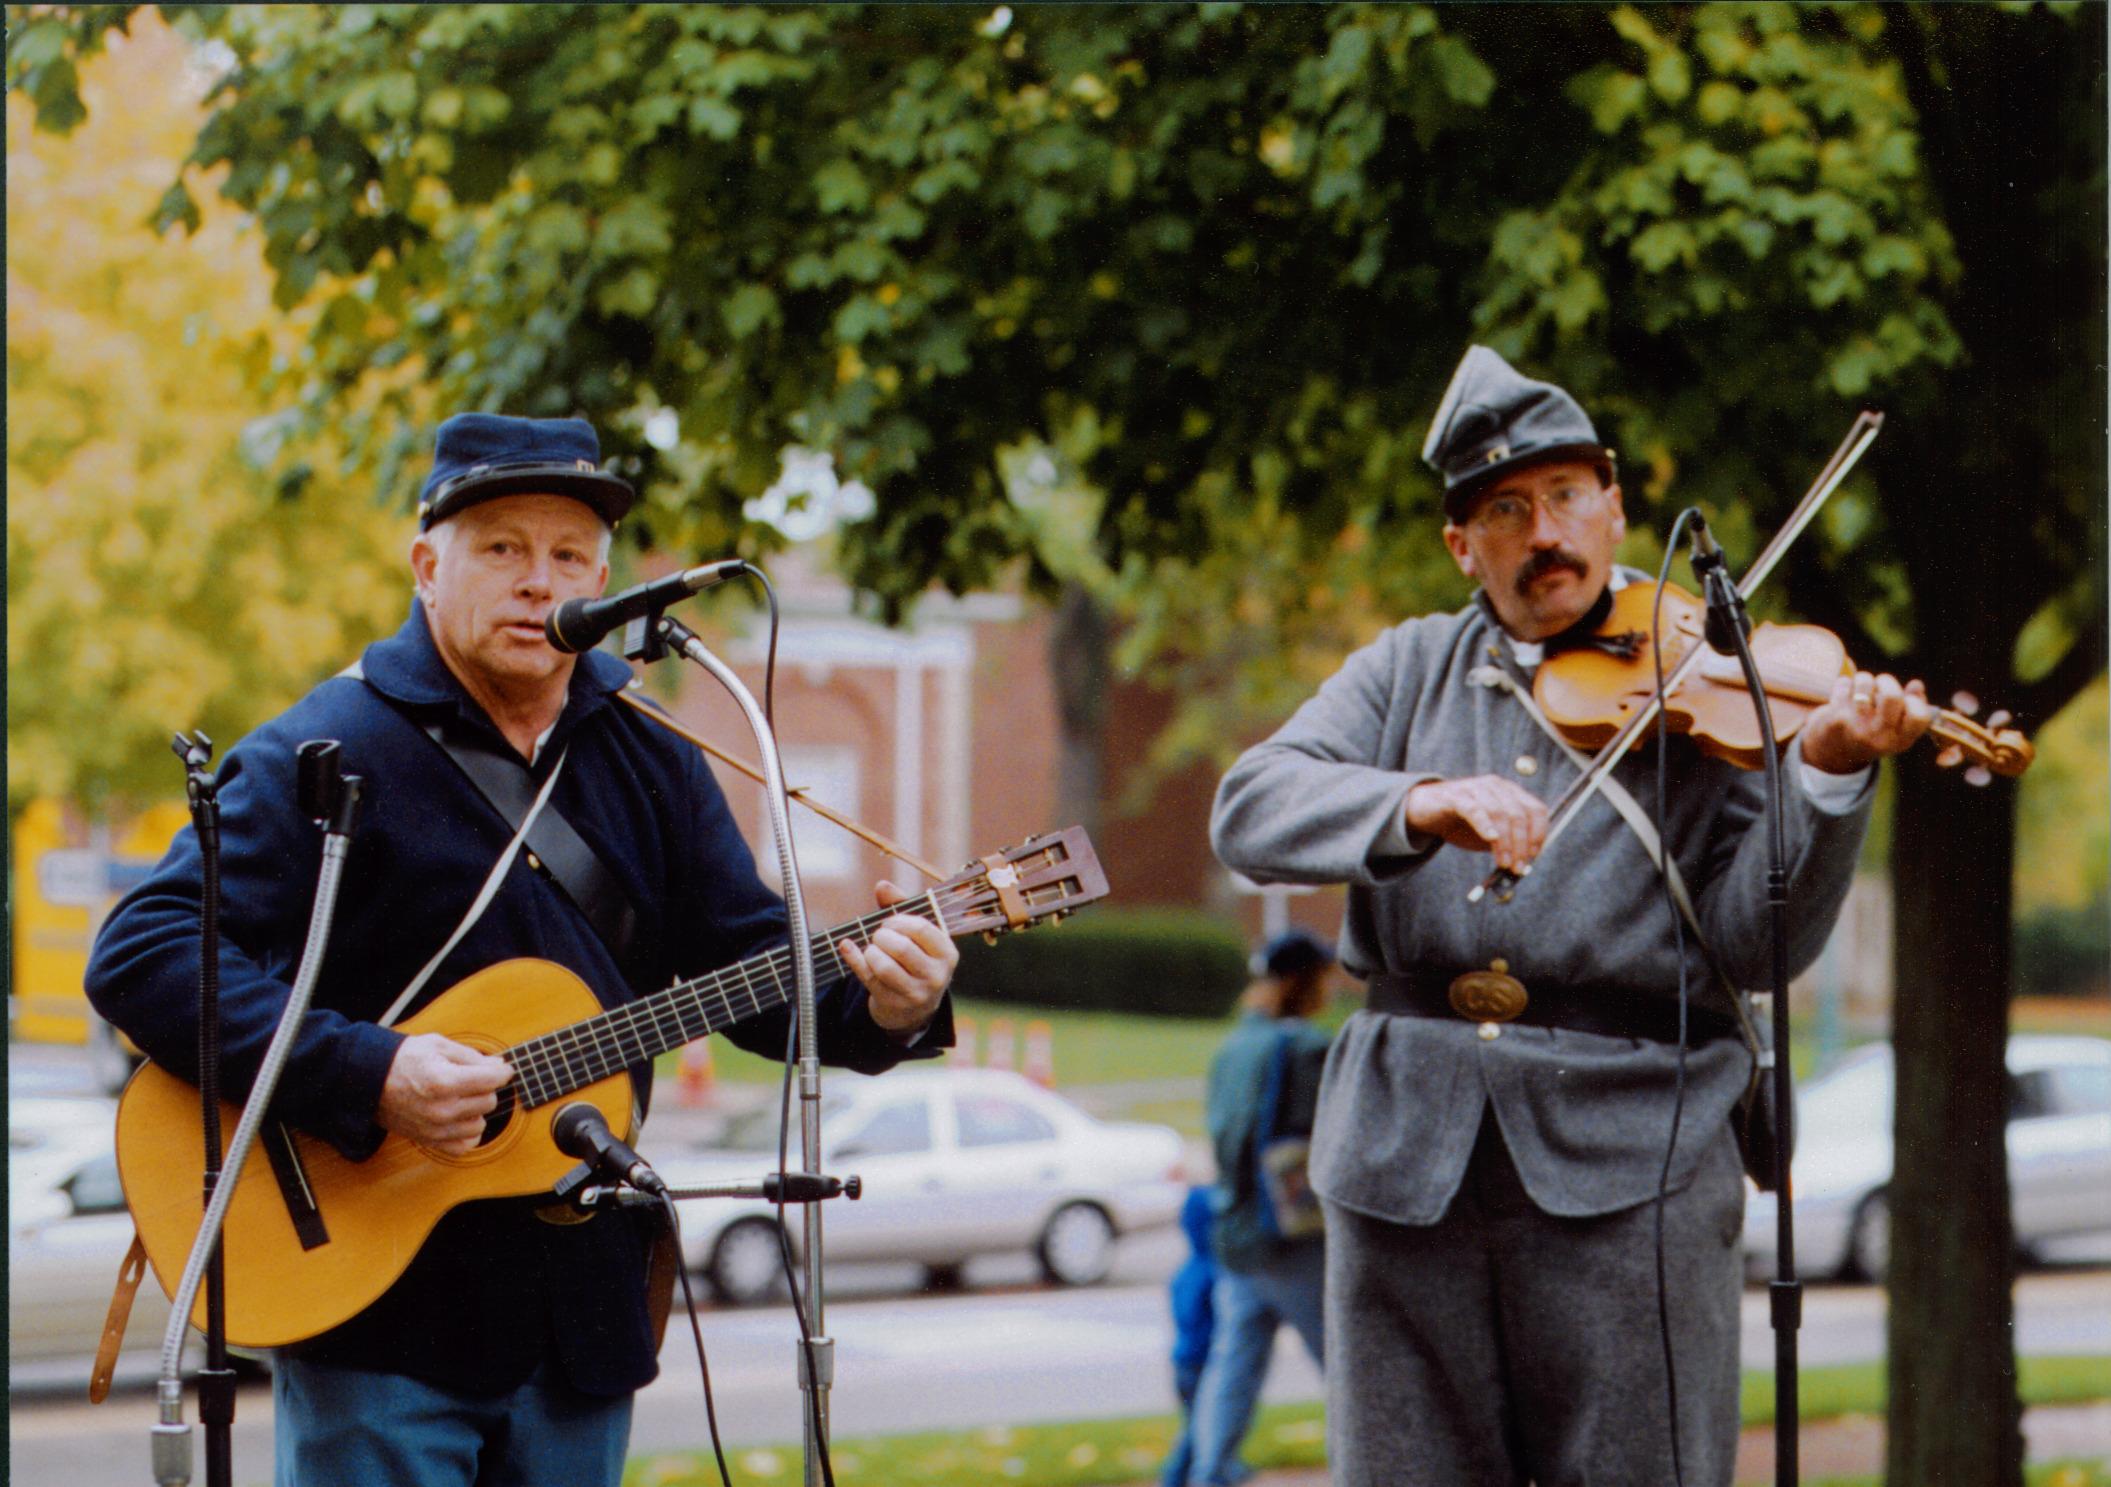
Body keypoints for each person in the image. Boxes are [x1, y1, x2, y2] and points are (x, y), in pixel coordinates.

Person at [86, 413, 959, 1487]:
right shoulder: (326, 746)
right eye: (500, 547)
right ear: (426, 565)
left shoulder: (654, 755)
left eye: (566, 556)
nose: (537, 582)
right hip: (377, 1323)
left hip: (578, 1322)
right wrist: (371, 1070)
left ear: (603, 579)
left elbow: (755, 979)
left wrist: (892, 1004)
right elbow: (142, 949)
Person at [1209, 346, 1932, 1486]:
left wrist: (1827, 776)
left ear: (1612, 502)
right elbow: (1249, 804)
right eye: (1504, 508)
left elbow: (1759, 942)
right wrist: (1418, 799)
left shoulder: (1714, 671)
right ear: (1461, 544)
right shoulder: (1405, 667)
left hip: (1631, 1157)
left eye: (1561, 496)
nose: (1541, 531)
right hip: (1405, 1156)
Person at [1182, 928, 1334, 1486]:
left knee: (1235, 1363)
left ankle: (1209, 1471)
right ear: (1305, 981)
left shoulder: (1234, 1045)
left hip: (1236, 1225)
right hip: (1294, 1231)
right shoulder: (1309, 1048)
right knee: (1343, 1367)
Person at [1160, 1184, 1219, 1487]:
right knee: (1201, 1427)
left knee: (1200, 1423)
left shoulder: (1185, 1271)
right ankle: (1175, 1477)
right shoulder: (1213, 1274)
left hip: (1183, 1364)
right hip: (1199, 1365)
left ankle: (1224, 1465)